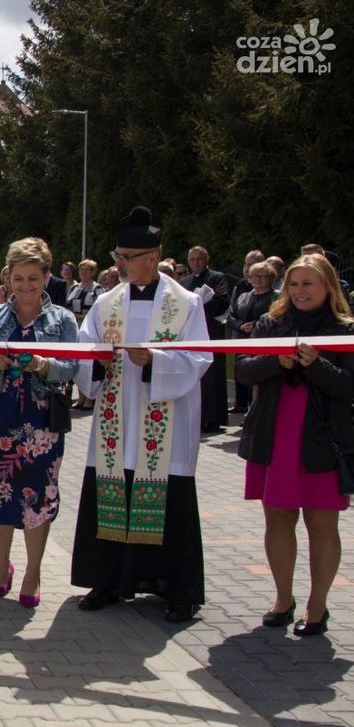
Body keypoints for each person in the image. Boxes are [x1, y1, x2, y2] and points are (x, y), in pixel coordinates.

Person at [71, 205, 211, 623]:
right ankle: (109, 580)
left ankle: (176, 590)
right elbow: (85, 348)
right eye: (118, 256)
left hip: (162, 419)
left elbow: (200, 357)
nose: (120, 265)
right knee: (112, 490)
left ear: (153, 255)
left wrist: (155, 361)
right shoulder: (106, 303)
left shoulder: (185, 304)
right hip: (116, 420)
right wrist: (96, 363)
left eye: (127, 257)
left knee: (171, 502)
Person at [236, 253, 353, 636]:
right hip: (275, 433)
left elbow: (346, 385)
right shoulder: (271, 324)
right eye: (295, 284)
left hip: (322, 439)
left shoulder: (344, 328)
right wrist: (278, 363)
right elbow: (243, 368)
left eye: (309, 284)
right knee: (279, 518)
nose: (301, 291)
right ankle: (282, 599)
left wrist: (315, 363)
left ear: (327, 286)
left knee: (322, 523)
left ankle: (317, 606)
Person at [0, 238, 78, 608]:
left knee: (38, 497)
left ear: (47, 276)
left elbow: (72, 366)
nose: (26, 285)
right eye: (18, 278)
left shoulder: (62, 320)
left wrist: (44, 365)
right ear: (7, 278)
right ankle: (2, 567)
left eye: (34, 278)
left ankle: (33, 572)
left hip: (42, 422)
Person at [180, 245, 230, 433]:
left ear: (206, 259)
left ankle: (213, 419)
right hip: (189, 336)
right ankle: (194, 416)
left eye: (199, 259)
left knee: (212, 377)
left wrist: (197, 310)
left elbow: (222, 301)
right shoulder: (184, 282)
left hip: (210, 333)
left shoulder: (217, 278)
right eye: (192, 260)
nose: (195, 263)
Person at [225, 262, 276, 415]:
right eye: (254, 276)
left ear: (271, 278)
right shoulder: (243, 296)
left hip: (263, 341)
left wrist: (256, 325)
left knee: (258, 378)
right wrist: (241, 326)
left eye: (262, 276)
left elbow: (275, 315)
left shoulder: (276, 295)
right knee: (242, 373)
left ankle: (255, 411)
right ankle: (241, 405)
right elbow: (230, 316)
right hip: (242, 340)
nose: (258, 279)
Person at [66, 259, 103, 410]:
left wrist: (84, 316)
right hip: (75, 329)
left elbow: (101, 309)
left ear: (93, 272)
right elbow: (67, 304)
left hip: (90, 330)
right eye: (81, 270)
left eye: (87, 270)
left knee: (88, 364)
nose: (83, 272)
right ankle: (81, 397)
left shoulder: (97, 288)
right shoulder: (74, 287)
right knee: (78, 363)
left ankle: (89, 399)